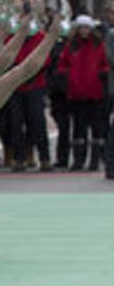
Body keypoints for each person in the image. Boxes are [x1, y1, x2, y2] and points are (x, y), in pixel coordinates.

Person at [55, 15, 109, 171]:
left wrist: (101, 74)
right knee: (79, 129)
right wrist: (68, 75)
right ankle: (79, 160)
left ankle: (95, 160)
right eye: (81, 28)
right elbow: (62, 64)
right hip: (76, 93)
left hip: (95, 93)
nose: (84, 31)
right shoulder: (71, 46)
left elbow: (105, 64)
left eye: (86, 27)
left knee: (96, 128)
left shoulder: (98, 45)